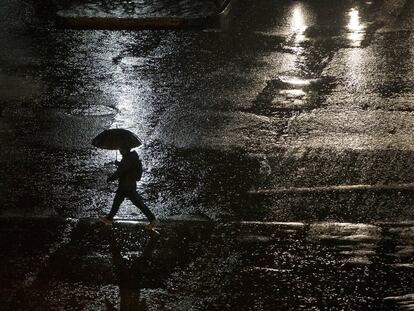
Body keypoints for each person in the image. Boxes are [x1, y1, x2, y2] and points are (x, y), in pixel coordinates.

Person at [99, 147, 159, 232]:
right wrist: (119, 164)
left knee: (137, 203)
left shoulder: (127, 158)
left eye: (121, 149)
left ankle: (152, 220)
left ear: (125, 149)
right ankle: (109, 218)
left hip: (127, 185)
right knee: (117, 201)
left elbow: (121, 171)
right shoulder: (130, 157)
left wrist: (111, 178)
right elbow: (127, 168)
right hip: (128, 184)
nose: (120, 151)